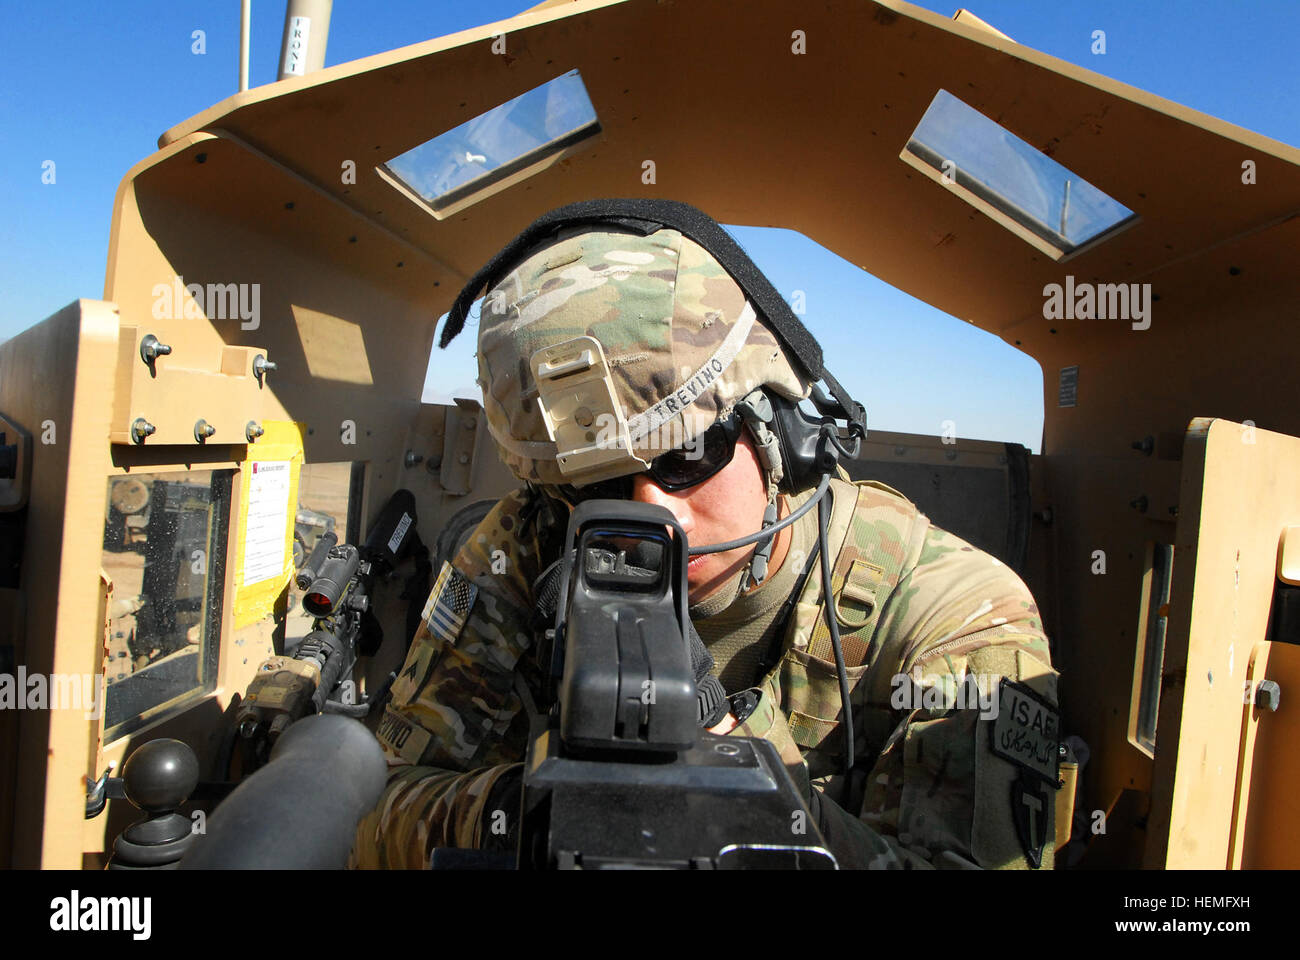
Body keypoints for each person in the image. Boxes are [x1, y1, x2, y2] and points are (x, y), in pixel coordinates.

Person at [349, 199, 1060, 870]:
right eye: (597, 486)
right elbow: (369, 807)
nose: (658, 516)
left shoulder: (955, 611)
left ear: (782, 429)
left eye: (686, 457)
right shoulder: (529, 542)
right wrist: (531, 809)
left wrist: (721, 763)